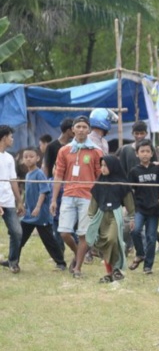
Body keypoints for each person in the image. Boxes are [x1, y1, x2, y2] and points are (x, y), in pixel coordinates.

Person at [50, 116, 103, 278]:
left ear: (89, 130)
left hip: (87, 197)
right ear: (72, 129)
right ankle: (77, 253)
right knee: (64, 232)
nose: (81, 130)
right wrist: (53, 199)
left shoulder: (96, 151)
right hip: (68, 195)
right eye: (78, 126)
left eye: (84, 127)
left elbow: (99, 177)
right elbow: (58, 175)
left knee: (82, 234)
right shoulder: (64, 150)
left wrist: (98, 198)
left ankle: (78, 268)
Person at [16, 148, 67, 272]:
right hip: (29, 215)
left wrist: (38, 207)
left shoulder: (39, 173)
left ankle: (61, 263)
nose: (28, 159)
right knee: (19, 238)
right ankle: (13, 260)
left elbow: (43, 191)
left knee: (48, 240)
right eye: (26, 157)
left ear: (37, 158)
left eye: (31, 156)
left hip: (41, 215)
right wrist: (22, 205)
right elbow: (28, 193)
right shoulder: (28, 174)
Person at [86, 155, 135, 283]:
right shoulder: (98, 184)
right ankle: (110, 273)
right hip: (101, 216)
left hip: (115, 215)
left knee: (112, 239)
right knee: (104, 243)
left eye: (106, 165)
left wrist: (132, 218)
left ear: (113, 166)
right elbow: (93, 206)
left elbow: (130, 205)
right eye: (101, 165)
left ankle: (117, 269)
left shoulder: (121, 184)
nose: (103, 168)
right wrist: (92, 219)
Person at [127, 139, 159, 275]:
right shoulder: (134, 171)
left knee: (151, 237)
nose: (145, 154)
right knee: (135, 230)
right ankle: (140, 254)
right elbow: (130, 192)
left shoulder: (157, 169)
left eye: (147, 151)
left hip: (154, 209)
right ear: (137, 154)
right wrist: (131, 209)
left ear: (152, 153)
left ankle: (148, 266)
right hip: (140, 208)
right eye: (142, 151)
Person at [0, 126, 24, 273]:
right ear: (3, 137)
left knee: (17, 232)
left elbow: (13, 180)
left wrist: (19, 200)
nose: (12, 139)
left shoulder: (9, 157)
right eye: (11, 136)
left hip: (8, 201)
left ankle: (12, 261)